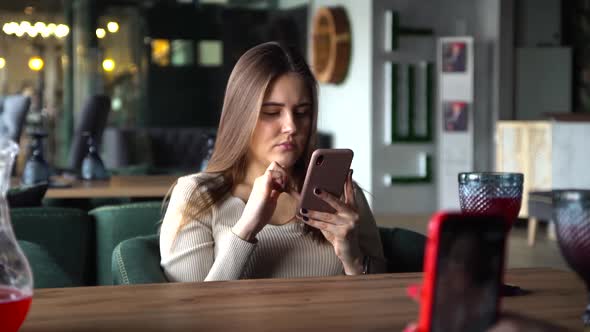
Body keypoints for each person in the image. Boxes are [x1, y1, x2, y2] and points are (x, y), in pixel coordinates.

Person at [159, 42, 386, 282]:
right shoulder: (196, 195)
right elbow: (193, 311)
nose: (291, 127)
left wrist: (353, 259)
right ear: (241, 117)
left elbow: (382, 295)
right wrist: (246, 228)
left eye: (302, 113)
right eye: (271, 112)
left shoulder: (342, 195)